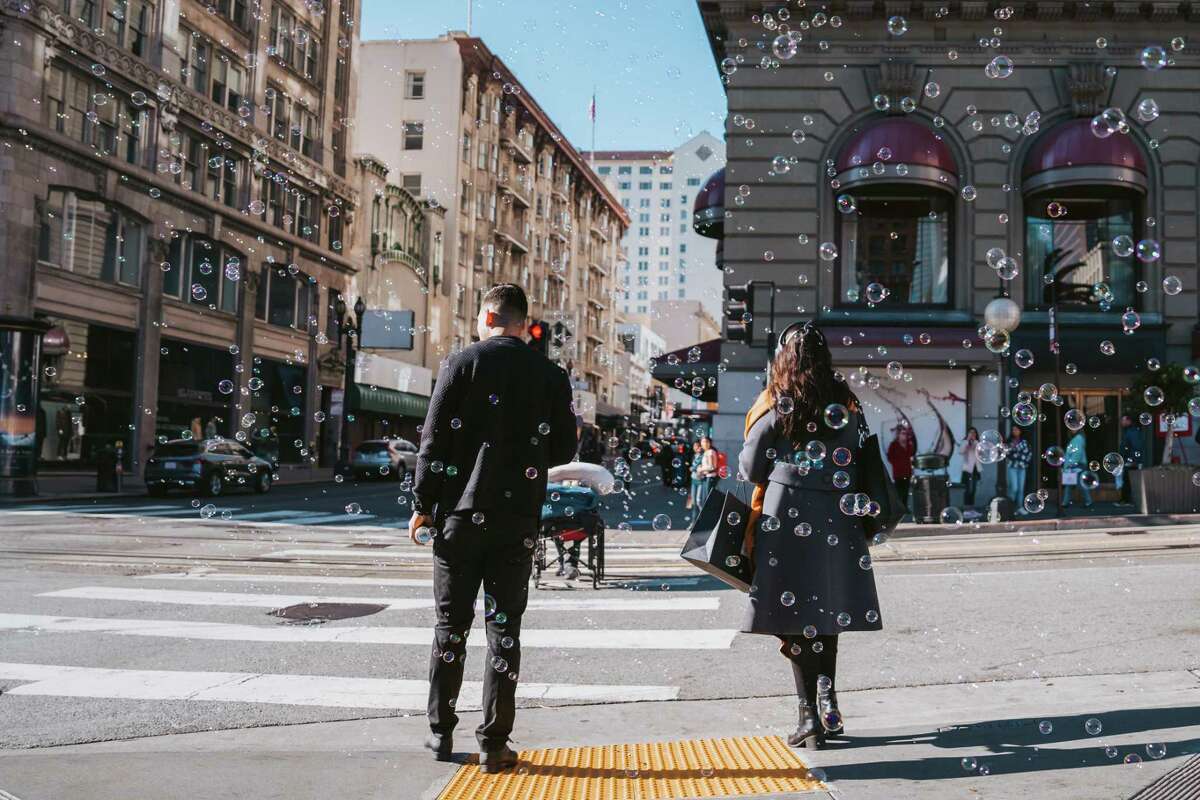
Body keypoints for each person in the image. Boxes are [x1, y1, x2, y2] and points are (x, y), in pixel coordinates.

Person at [408, 284, 578, 773]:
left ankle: (441, 733)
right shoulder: (550, 374)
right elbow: (564, 450)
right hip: (517, 520)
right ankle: (494, 743)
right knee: (504, 629)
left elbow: (433, 439)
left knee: (450, 627)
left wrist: (423, 503)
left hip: (459, 517)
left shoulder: (461, 363)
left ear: (487, 316)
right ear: (525, 324)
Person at [738, 321, 884, 750]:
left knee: (795, 619)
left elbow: (749, 470)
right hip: (839, 515)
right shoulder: (847, 402)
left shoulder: (778, 402)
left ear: (782, 359)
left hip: (787, 518)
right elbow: (858, 457)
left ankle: (808, 719)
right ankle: (829, 701)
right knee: (829, 611)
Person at [1061, 428, 1093, 509]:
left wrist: (1071, 464)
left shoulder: (1078, 438)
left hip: (1076, 465)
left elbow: (1077, 453)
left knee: (1079, 484)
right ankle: (1065, 502)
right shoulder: (1077, 438)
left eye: (1074, 428)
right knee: (1070, 484)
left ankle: (1088, 501)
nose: (1072, 430)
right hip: (1074, 465)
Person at [886, 426, 915, 505]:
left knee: (906, 491)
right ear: (898, 434)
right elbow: (889, 457)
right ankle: (899, 508)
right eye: (902, 433)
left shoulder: (909, 444)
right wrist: (897, 463)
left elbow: (911, 454)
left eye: (905, 434)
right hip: (898, 473)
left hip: (907, 472)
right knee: (899, 491)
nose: (904, 435)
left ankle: (905, 507)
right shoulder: (893, 445)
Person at [1006, 427, 1032, 511]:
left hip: (1022, 467)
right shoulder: (1009, 442)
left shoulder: (1024, 442)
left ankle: (1019, 507)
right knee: (1014, 488)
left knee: (1021, 489)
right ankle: (1010, 507)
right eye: (1013, 430)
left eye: (1016, 430)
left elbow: (1029, 454)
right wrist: (1015, 452)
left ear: (1020, 431)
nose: (1014, 431)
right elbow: (1007, 454)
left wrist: (1023, 461)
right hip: (1012, 467)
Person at [1119, 414, 1142, 505]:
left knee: (1128, 481)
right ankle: (1126, 500)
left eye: (1123, 420)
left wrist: (1133, 460)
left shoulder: (1132, 432)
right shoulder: (1130, 431)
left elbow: (1135, 446)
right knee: (1127, 480)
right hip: (1128, 460)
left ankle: (1126, 500)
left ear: (1129, 421)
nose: (1122, 422)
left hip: (1131, 461)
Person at [959, 427, 980, 507]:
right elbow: (961, 451)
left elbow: (980, 454)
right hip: (967, 470)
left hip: (975, 470)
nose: (972, 434)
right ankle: (967, 509)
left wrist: (975, 442)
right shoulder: (964, 442)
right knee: (968, 490)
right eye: (970, 432)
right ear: (968, 434)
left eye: (974, 433)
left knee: (973, 490)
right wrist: (968, 441)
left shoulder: (977, 443)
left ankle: (971, 508)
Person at [687, 441, 704, 510]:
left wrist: (693, 468)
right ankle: (694, 519)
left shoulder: (703, 456)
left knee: (699, 500)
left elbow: (698, 467)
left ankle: (702, 516)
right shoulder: (694, 456)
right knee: (693, 501)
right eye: (694, 446)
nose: (695, 447)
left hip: (700, 479)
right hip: (693, 478)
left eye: (697, 446)